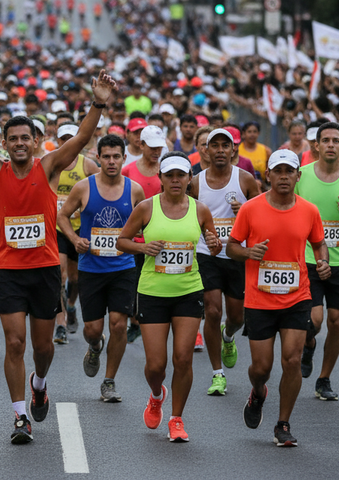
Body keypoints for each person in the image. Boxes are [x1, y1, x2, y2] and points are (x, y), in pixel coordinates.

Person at [0, 69, 116, 444]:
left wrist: (97, 102)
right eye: (12, 139)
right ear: (4, 143)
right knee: (14, 343)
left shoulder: (48, 167)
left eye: (25, 138)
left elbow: (82, 137)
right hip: (9, 270)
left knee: (42, 348)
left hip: (47, 269)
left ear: (37, 141)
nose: (19, 144)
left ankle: (39, 383)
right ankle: (20, 417)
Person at [227, 149, 330, 447]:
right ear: (268, 175)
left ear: (298, 176)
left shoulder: (309, 211)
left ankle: (283, 423)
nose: (284, 177)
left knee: (292, 361)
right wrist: (248, 252)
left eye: (289, 171)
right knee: (261, 368)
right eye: (278, 171)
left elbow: (319, 243)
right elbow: (232, 246)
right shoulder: (251, 209)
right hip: (259, 300)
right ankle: (258, 391)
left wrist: (323, 262)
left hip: (297, 297)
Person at [117, 152, 221, 442]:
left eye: (181, 175)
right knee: (156, 365)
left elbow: (213, 247)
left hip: (188, 290)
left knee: (183, 358)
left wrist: (215, 244)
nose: (176, 180)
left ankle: (176, 419)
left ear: (190, 178)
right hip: (152, 292)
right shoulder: (146, 208)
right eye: (170, 175)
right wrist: (143, 248)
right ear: (160, 179)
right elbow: (121, 242)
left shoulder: (200, 210)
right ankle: (155, 394)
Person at [57, 134, 145, 402]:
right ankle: (95, 346)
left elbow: (145, 222)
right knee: (93, 329)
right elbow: (62, 215)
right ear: (98, 158)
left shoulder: (135, 190)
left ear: (123, 158)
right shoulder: (84, 187)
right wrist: (74, 239)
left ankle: (109, 382)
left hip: (123, 267)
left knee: (118, 325)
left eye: (116, 156)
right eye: (106, 156)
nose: (111, 161)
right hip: (91, 268)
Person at [294, 122, 339, 400]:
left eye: (336, 141)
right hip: (307, 259)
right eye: (325, 140)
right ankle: (309, 342)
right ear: (316, 145)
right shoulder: (300, 176)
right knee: (315, 319)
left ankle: (324, 379)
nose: (330, 145)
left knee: (337, 322)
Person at [189, 128, 260, 396]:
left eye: (224, 146)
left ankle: (228, 337)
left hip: (235, 254)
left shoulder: (245, 180)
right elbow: (186, 215)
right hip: (206, 254)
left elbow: (263, 215)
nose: (219, 150)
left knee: (236, 317)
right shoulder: (195, 183)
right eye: (213, 145)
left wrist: (246, 213)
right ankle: (217, 374)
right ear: (204, 150)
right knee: (212, 309)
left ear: (233, 151)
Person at [53, 123, 100, 344]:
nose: (69, 143)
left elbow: (104, 188)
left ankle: (71, 305)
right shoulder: (51, 164)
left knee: (76, 278)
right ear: (59, 141)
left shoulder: (88, 165)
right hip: (57, 227)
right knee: (60, 275)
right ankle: (60, 323)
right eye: (64, 139)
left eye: (73, 138)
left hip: (81, 229)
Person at [122, 125, 164, 344]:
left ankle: (149, 321)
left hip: (160, 236)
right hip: (135, 237)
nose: (157, 152)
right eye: (153, 147)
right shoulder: (128, 170)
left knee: (155, 280)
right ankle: (135, 321)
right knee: (135, 280)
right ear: (141, 145)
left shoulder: (165, 170)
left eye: (160, 148)